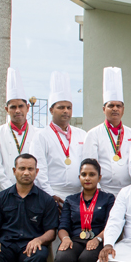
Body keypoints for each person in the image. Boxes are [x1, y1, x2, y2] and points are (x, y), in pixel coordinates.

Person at [55, 158, 116, 262]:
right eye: (84, 174)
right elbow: (63, 226)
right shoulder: (71, 200)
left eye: (92, 174)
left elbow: (111, 225)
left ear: (99, 177)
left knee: (88, 259)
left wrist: (98, 239)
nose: (87, 178)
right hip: (75, 240)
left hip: (98, 239)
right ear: (79, 177)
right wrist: (65, 239)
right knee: (61, 259)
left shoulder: (108, 198)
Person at [30, 71, 87, 208]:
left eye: (69, 107)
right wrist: (50, 196)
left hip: (79, 196)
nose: (66, 111)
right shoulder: (41, 136)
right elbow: (39, 169)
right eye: (61, 107)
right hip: (52, 195)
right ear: (51, 110)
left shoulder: (82, 134)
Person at [83, 67, 131, 196]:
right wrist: (98, 190)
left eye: (118, 106)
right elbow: (90, 165)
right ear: (104, 109)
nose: (115, 109)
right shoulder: (93, 134)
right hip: (104, 191)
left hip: (129, 191)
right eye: (111, 105)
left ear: (123, 109)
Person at [0, 68, 39, 196]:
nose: (17, 110)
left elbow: (42, 166)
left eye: (21, 106)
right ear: (7, 109)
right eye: (13, 107)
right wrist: (13, 191)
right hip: (5, 193)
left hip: (33, 193)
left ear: (27, 108)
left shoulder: (39, 134)